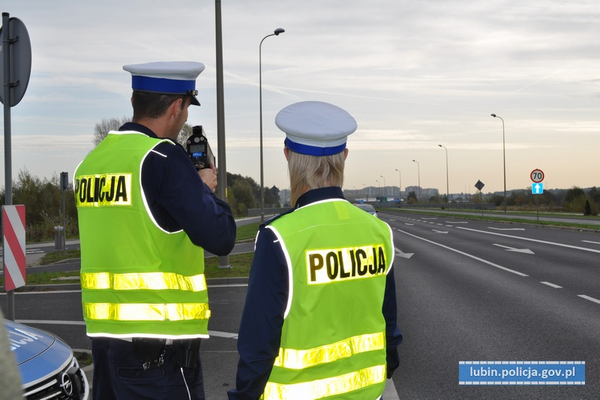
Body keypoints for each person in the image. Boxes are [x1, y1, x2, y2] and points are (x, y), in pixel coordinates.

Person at [74, 61, 236, 400]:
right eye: (188, 106)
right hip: (161, 357)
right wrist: (204, 188)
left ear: (136, 101)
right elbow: (221, 237)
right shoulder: (163, 158)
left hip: (106, 347)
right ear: (177, 107)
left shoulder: (91, 163)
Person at [228, 101, 402, 400]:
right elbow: (390, 330)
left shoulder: (278, 237)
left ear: (288, 155)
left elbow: (258, 347)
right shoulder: (377, 231)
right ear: (344, 156)